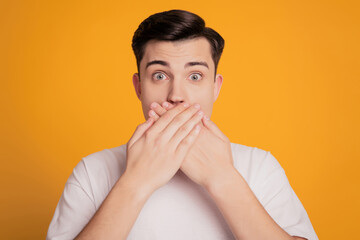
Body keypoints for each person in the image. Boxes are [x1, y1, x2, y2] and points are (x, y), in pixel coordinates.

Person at [47, 9, 318, 240]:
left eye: (195, 76)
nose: (176, 95)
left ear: (215, 88)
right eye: (160, 75)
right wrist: (135, 182)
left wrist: (223, 179)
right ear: (139, 87)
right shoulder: (92, 172)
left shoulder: (260, 167)